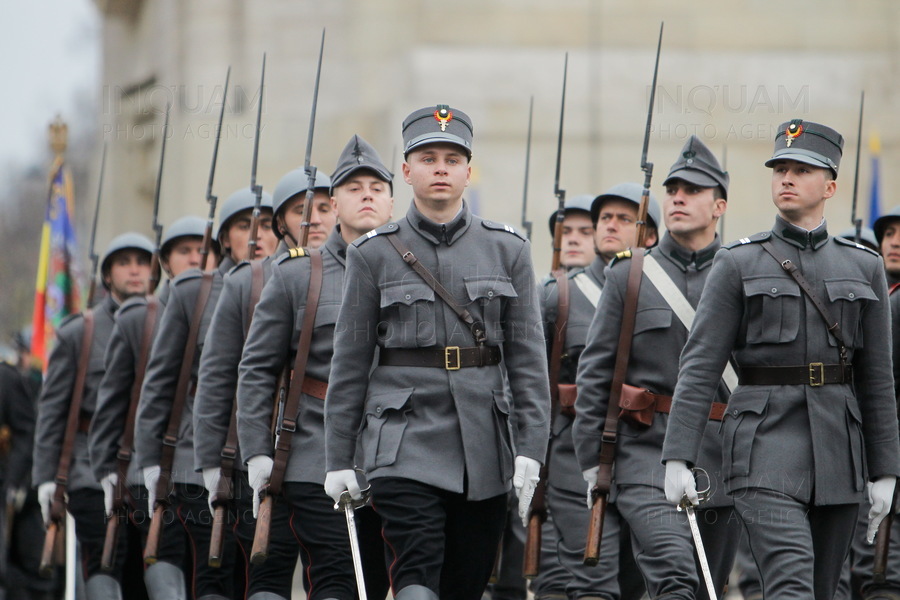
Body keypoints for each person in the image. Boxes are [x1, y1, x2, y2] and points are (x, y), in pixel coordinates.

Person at [663, 119, 900, 600]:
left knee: (822, 589)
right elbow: (700, 365)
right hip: (763, 448)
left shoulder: (864, 265)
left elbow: (876, 379)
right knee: (790, 582)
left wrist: (886, 470)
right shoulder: (739, 262)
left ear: (829, 185)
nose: (786, 178)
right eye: (780, 169)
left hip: (839, 451)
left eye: (801, 169)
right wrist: (677, 456)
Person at [322, 105, 550, 600]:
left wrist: (532, 447)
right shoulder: (372, 253)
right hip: (401, 442)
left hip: (482, 447)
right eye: (427, 157)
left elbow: (529, 362)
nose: (440, 167)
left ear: (469, 171)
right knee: (415, 570)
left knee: (464, 582)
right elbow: (350, 363)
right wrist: (339, 457)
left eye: (452, 158)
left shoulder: (507, 249)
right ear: (406, 172)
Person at [574, 135, 739, 599]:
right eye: (673, 189)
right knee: (675, 577)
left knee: (709, 586)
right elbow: (597, 372)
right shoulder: (629, 273)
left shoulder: (743, 271)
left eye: (693, 190)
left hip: (723, 457)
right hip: (644, 453)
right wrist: (592, 458)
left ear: (719, 205)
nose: (679, 198)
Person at [237, 134, 395, 600]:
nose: (365, 195)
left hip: (397, 455)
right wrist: (257, 452)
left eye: (376, 186)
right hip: (313, 455)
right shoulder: (297, 275)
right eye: (352, 187)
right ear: (333, 205)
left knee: (386, 580)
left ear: (391, 200)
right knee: (339, 581)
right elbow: (257, 368)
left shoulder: (415, 269)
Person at [195, 169, 333, 600]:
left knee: (335, 574)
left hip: (329, 450)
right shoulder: (248, 281)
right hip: (260, 455)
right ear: (282, 224)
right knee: (267, 573)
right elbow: (219, 376)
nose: (315, 219)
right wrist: (212, 462)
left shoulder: (357, 274)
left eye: (326, 208)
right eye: (301, 210)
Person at [135, 189, 277, 600]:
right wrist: (150, 463)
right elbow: (160, 384)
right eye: (242, 225)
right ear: (224, 239)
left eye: (266, 225)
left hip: (268, 454)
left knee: (260, 571)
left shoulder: (294, 281)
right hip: (202, 457)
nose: (256, 235)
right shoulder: (192, 292)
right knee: (211, 575)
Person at [536, 189, 657, 600]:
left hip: (644, 456)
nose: (609, 225)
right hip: (574, 458)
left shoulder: (662, 295)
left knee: (635, 584)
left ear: (650, 235)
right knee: (592, 585)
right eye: (604, 217)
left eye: (625, 219)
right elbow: (529, 377)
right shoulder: (559, 294)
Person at [89, 215, 211, 600]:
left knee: (212, 569)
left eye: (203, 251)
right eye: (184, 251)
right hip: (155, 464)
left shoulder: (235, 304)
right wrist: (107, 467)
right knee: (163, 563)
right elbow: (113, 403)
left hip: (215, 463)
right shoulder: (139, 318)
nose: (195, 258)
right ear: (166, 262)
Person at [34, 233, 155, 600]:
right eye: (124, 262)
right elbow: (52, 411)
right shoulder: (78, 332)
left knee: (146, 572)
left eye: (143, 261)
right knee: (104, 565)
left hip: (151, 470)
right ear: (106, 275)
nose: (135, 270)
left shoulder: (171, 323)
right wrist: (45, 477)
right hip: (89, 470)